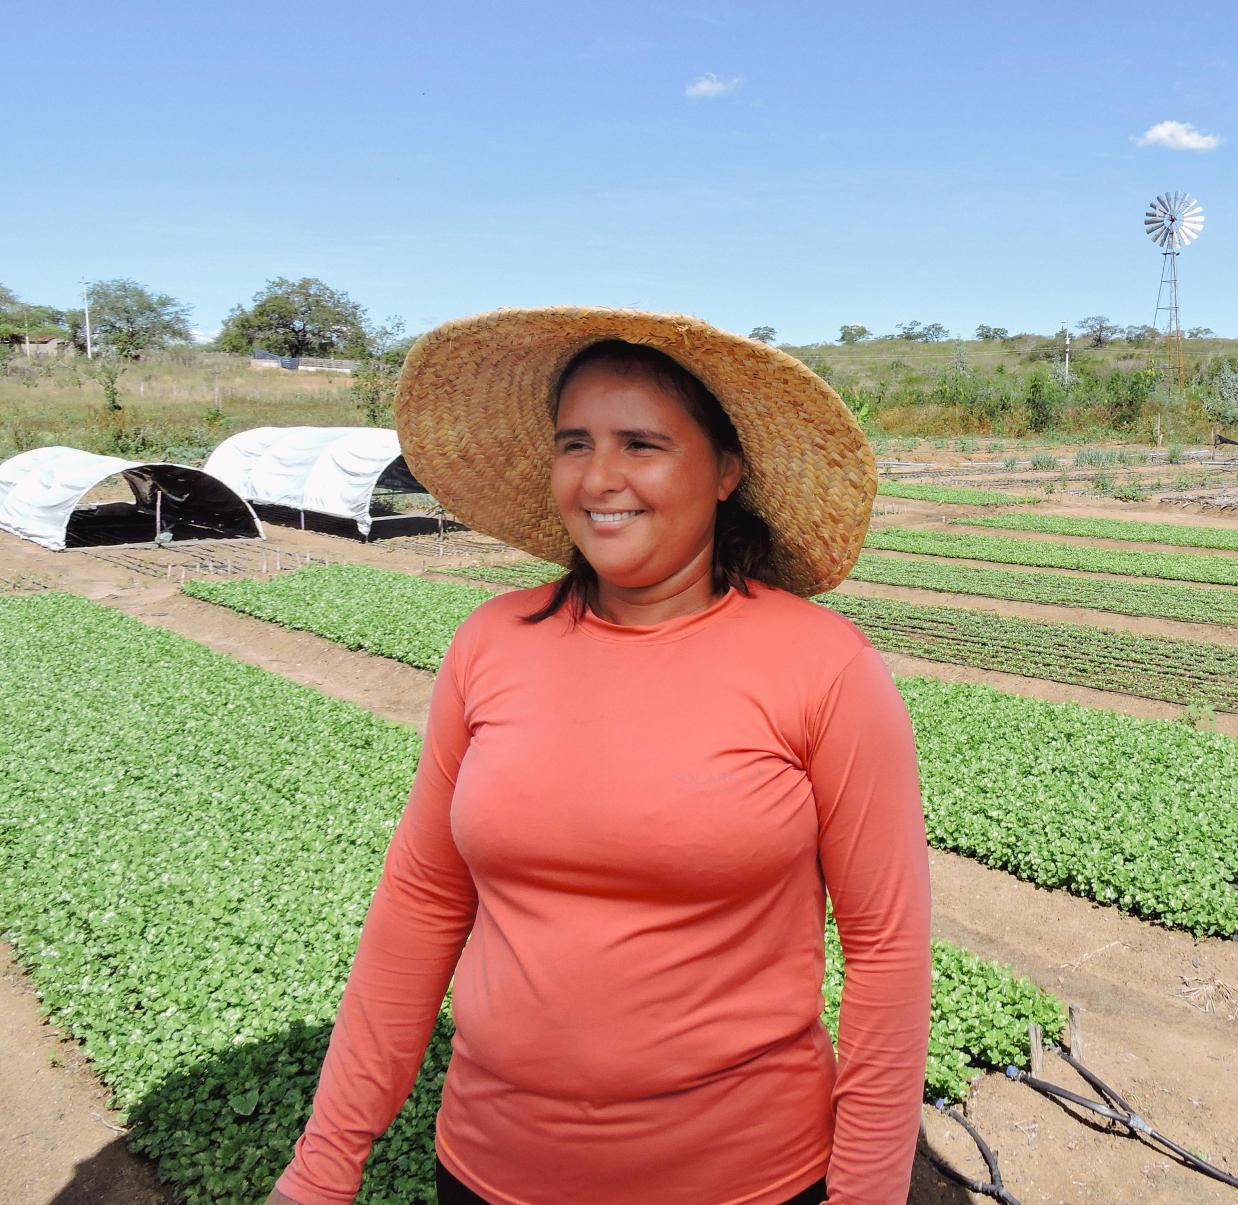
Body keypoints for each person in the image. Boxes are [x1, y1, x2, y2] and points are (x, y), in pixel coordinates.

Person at [265, 308, 932, 1205]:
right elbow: (421, 904)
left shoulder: (824, 667)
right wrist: (323, 1165)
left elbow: (886, 948)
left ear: (726, 470)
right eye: (574, 442)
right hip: (490, 1170)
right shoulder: (490, 645)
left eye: (642, 443)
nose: (600, 477)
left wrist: (866, 1195)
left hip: (749, 1178)